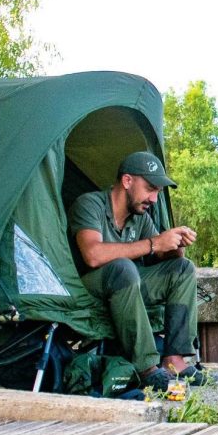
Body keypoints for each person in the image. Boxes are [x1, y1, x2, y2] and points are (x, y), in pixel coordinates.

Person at [68, 151, 209, 393]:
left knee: (183, 269)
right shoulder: (90, 204)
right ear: (127, 181)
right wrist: (154, 243)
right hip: (86, 289)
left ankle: (174, 359)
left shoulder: (139, 218)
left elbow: (160, 256)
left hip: (126, 286)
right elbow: (93, 255)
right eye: (150, 188)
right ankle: (146, 368)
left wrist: (176, 245)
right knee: (123, 267)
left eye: (157, 192)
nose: (154, 198)